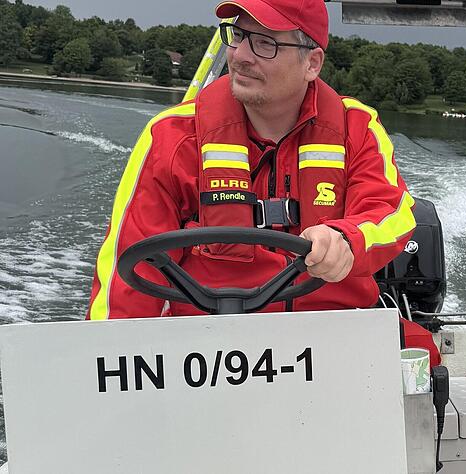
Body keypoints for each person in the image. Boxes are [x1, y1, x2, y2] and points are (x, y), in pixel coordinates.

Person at [86, 0, 439, 364]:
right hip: (210, 356)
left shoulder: (358, 129)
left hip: (330, 343)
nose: (239, 55)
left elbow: (392, 213)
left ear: (312, 63)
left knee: (424, 368)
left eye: (265, 43)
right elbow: (126, 279)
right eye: (237, 35)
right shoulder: (171, 137)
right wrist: (106, 364)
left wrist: (347, 240)